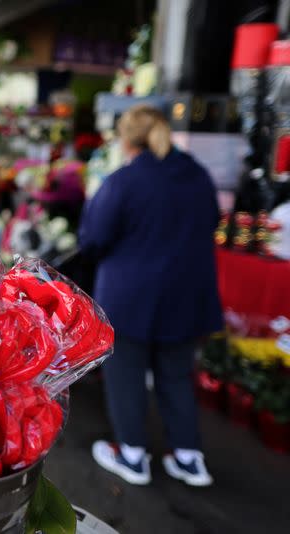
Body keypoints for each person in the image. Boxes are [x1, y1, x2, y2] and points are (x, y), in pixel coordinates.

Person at [79, 105, 222, 487]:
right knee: (176, 375)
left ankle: (132, 454)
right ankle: (189, 458)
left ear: (126, 139)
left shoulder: (124, 181)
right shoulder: (197, 175)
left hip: (130, 296)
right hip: (188, 294)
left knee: (125, 374)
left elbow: (93, 239)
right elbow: (212, 222)